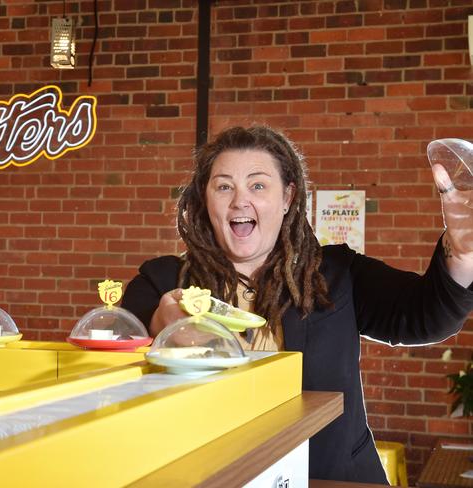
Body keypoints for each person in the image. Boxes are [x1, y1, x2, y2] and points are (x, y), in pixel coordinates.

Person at [121, 125, 473, 483]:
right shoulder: (162, 280)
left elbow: (425, 318)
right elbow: (115, 345)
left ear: (287, 197)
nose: (240, 200)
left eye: (258, 185)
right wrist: (161, 325)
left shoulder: (337, 274)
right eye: (224, 186)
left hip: (332, 479)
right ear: (204, 197)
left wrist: (460, 256)